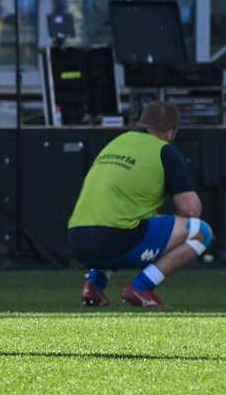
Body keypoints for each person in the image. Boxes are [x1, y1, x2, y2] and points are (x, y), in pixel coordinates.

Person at [68, 101, 214, 307]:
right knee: (201, 232)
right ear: (171, 132)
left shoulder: (116, 143)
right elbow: (190, 209)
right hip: (115, 239)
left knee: (122, 223)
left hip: (77, 241)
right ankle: (142, 287)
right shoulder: (165, 150)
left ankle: (93, 287)